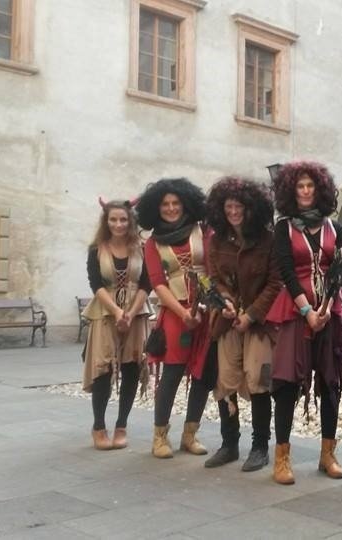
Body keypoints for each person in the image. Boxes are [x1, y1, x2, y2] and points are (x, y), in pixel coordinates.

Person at [266, 160, 342, 485]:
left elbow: (338, 271)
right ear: (291, 190)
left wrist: (325, 309)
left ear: (320, 190)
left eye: (310, 186)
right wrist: (307, 312)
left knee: (331, 382)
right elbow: (286, 271)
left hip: (330, 311)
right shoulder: (283, 228)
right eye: (300, 186)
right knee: (286, 383)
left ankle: (328, 454)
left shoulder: (336, 230)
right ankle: (282, 457)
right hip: (294, 310)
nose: (305, 191)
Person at [203, 176, 281, 472]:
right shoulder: (217, 240)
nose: (233, 212)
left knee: (259, 380)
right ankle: (229, 444)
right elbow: (217, 279)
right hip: (227, 321)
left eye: (239, 207)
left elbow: (275, 283)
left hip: (258, 323)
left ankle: (260, 446)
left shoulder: (268, 240)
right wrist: (225, 302)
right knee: (225, 381)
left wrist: (251, 315)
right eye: (228, 207)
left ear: (252, 209)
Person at [136, 177, 216, 459]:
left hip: (206, 311)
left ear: (185, 204)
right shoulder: (152, 244)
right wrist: (183, 313)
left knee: (202, 375)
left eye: (176, 203)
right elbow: (158, 284)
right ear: (156, 209)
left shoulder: (202, 230)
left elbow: (211, 267)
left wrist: (207, 306)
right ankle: (160, 436)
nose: (170, 208)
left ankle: (190, 435)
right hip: (174, 313)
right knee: (171, 374)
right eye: (165, 204)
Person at [82, 198, 150, 450]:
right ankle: (98, 426)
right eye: (113, 219)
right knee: (103, 368)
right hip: (105, 312)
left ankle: (122, 425)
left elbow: (147, 284)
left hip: (136, 312)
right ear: (106, 221)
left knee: (132, 367)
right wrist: (116, 311)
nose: (118, 224)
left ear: (130, 220)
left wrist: (130, 313)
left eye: (123, 219)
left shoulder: (141, 248)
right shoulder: (96, 249)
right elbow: (95, 284)